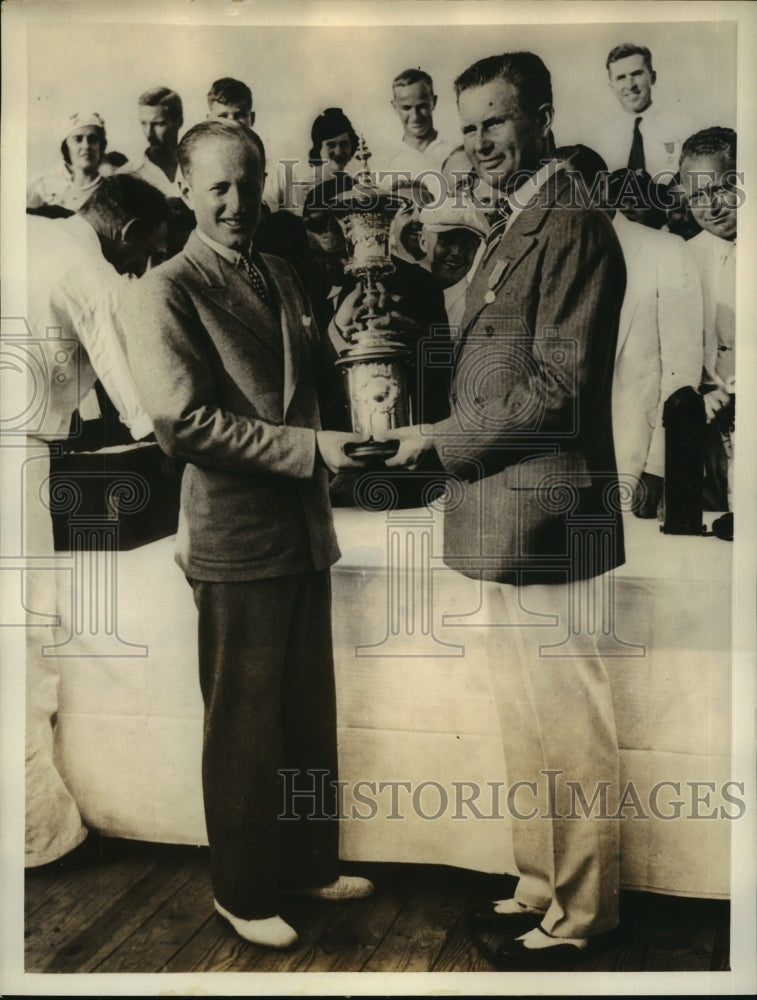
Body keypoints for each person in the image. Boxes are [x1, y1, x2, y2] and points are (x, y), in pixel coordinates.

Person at [377, 52, 627, 969]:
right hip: (507, 511)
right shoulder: (515, 218)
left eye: (495, 121)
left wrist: (436, 439)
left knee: (570, 727)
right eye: (468, 124)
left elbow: (556, 390)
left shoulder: (570, 222)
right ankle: (539, 885)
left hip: (552, 513)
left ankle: (583, 914)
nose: (478, 141)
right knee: (528, 721)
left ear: (543, 116)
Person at [123, 119, 373, 950]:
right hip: (233, 539)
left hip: (302, 529)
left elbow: (295, 384)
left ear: (266, 180)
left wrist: (349, 361)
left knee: (305, 715)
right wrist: (312, 450)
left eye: (249, 182)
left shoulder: (284, 272)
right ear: (185, 190)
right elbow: (183, 422)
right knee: (244, 723)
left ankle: (305, 863)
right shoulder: (163, 288)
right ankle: (241, 887)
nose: (236, 202)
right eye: (218, 187)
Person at [24, 174, 170, 868]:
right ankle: (38, 838)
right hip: (9, 460)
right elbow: (144, 404)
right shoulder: (90, 272)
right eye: (148, 253)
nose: (144, 269)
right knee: (18, 649)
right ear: (130, 232)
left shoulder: (24, 231)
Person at [558, 144, 703, 517]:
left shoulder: (665, 251)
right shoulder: (554, 261)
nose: (559, 200)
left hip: (632, 467)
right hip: (559, 473)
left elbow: (681, 374)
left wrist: (656, 469)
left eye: (568, 186)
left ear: (603, 187)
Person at [679, 126, 738, 515]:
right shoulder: (684, 257)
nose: (711, 205)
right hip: (711, 423)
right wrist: (701, 389)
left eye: (720, 189)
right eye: (698, 194)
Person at [600, 43, 694, 180]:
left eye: (636, 74)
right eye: (621, 77)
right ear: (611, 86)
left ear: (653, 77)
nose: (630, 85)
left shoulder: (682, 127)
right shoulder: (604, 137)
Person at [264, 107, 359, 215]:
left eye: (344, 144)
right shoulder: (301, 191)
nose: (338, 152)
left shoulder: (356, 187)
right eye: (331, 145)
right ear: (318, 149)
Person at [417, 197, 488, 331]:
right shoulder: (402, 290)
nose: (456, 252)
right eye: (446, 240)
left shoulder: (475, 307)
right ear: (423, 241)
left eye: (467, 244)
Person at [379, 68, 454, 179]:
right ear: (395, 107)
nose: (415, 116)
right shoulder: (386, 162)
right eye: (407, 107)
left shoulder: (454, 152)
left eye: (422, 106)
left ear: (433, 102)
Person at [27, 111, 107, 212]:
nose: (86, 146)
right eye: (78, 139)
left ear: (101, 145)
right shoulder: (50, 194)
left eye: (93, 139)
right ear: (66, 146)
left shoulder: (113, 191)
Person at [121, 86, 183, 197]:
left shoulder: (197, 167)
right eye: (144, 123)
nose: (149, 133)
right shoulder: (126, 176)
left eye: (158, 124)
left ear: (179, 122)